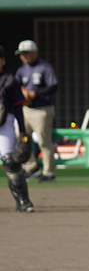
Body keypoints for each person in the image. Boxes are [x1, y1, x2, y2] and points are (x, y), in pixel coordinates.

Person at [16, 40, 58, 183]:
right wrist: (23, 93)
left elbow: (53, 86)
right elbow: (17, 85)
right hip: (26, 109)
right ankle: (31, 167)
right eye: (22, 54)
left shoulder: (44, 67)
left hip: (42, 109)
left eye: (26, 53)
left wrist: (35, 94)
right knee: (20, 137)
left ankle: (48, 173)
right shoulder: (21, 70)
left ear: (34, 52)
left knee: (43, 141)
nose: (24, 57)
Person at [1, 46, 35, 212]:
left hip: (4, 122)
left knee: (10, 162)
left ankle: (23, 201)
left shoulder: (9, 80)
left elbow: (18, 108)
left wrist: (22, 132)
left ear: (3, 61)